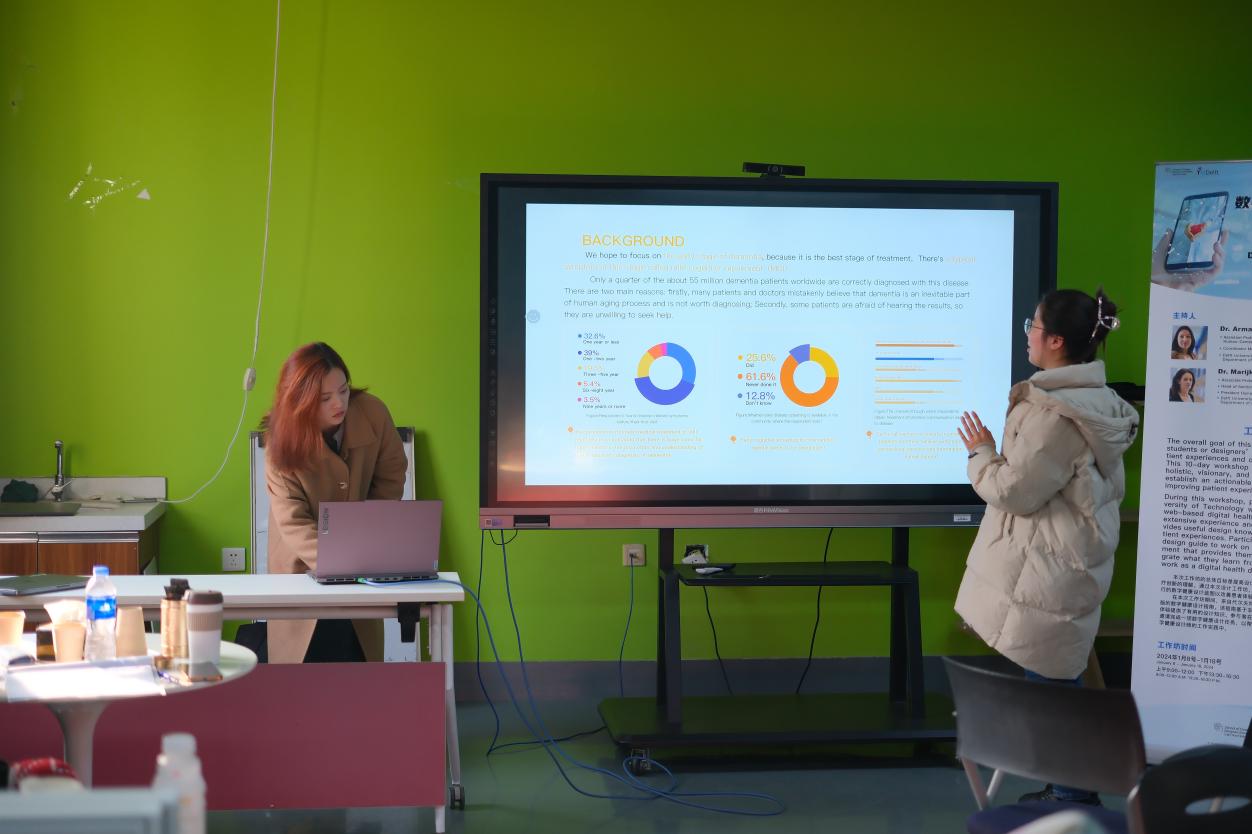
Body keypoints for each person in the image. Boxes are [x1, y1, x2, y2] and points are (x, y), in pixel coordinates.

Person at [955, 289, 1140, 806]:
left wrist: (981, 452)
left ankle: (1073, 797)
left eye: (1032, 326)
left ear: (1056, 341)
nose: (1028, 335)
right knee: (1056, 680)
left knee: (1054, 688)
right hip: (1066, 564)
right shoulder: (1096, 403)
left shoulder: (1053, 414)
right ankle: (1067, 788)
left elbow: (1015, 491)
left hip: (1049, 571)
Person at [261, 342, 407, 663]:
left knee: (358, 663)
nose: (339, 403)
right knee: (303, 671)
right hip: (300, 565)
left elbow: (392, 474)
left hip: (361, 560)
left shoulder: (372, 412)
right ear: (300, 402)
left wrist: (367, 531)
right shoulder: (280, 441)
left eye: (343, 390)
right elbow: (293, 522)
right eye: (325, 398)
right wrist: (347, 562)